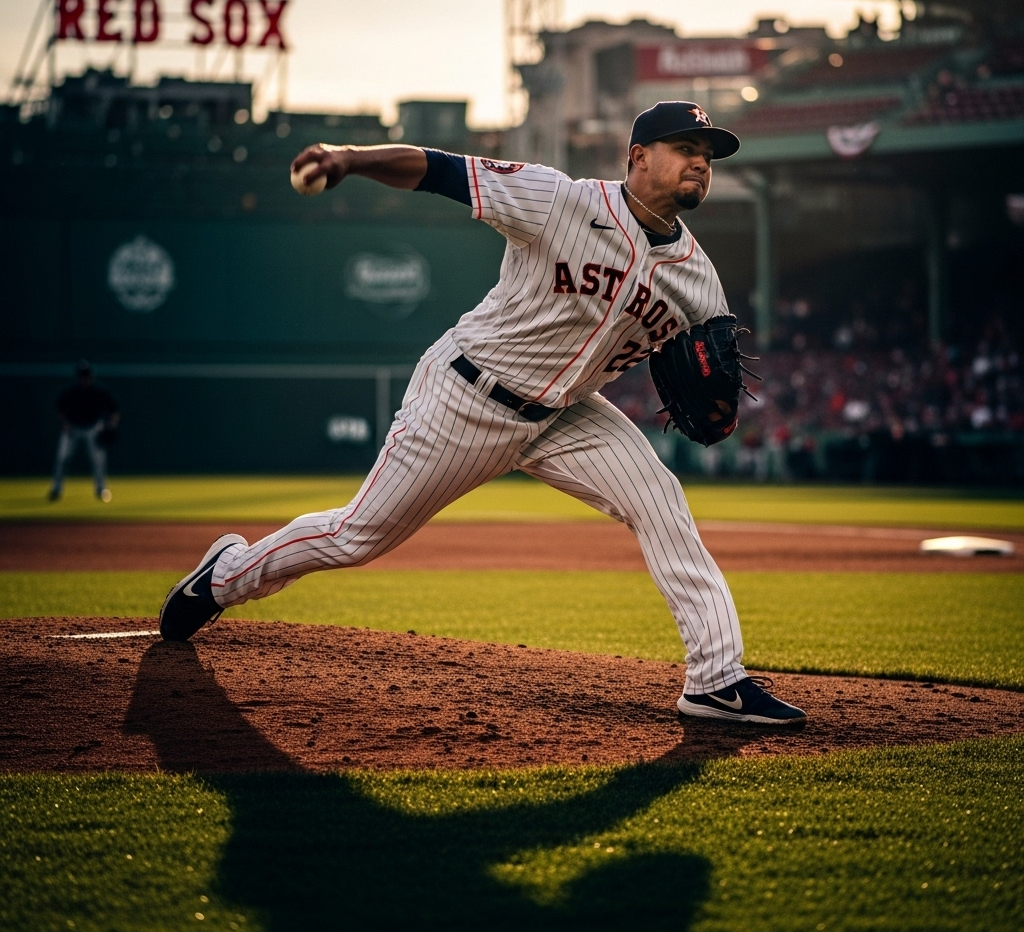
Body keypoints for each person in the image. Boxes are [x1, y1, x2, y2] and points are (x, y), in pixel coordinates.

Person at [160, 101, 806, 726]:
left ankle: (716, 681)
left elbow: (711, 380)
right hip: (466, 395)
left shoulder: (699, 281)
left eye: (708, 155)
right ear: (638, 157)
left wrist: (716, 405)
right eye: (686, 149)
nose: (701, 163)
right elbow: (441, 171)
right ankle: (226, 577)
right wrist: (349, 157)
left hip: (566, 414)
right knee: (357, 536)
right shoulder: (560, 201)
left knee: (660, 501)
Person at [49, 360, 120, 503]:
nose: (85, 379)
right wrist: (65, 424)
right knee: (62, 458)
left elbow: (114, 409)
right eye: (82, 376)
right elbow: (60, 408)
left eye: (86, 376)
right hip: (72, 427)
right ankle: (56, 489)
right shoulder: (71, 391)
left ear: (91, 376)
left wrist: (111, 424)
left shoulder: (99, 390)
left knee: (98, 461)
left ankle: (101, 489)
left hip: (93, 427)